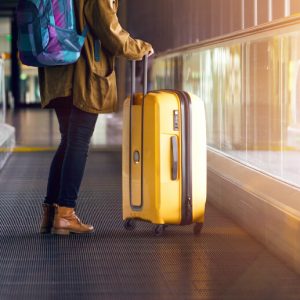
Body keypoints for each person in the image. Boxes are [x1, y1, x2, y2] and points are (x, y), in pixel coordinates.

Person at [39, 0, 154, 235]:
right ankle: (66, 214)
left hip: (56, 69)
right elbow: (109, 29)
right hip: (82, 75)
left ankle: (51, 214)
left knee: (68, 141)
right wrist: (141, 48)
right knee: (78, 142)